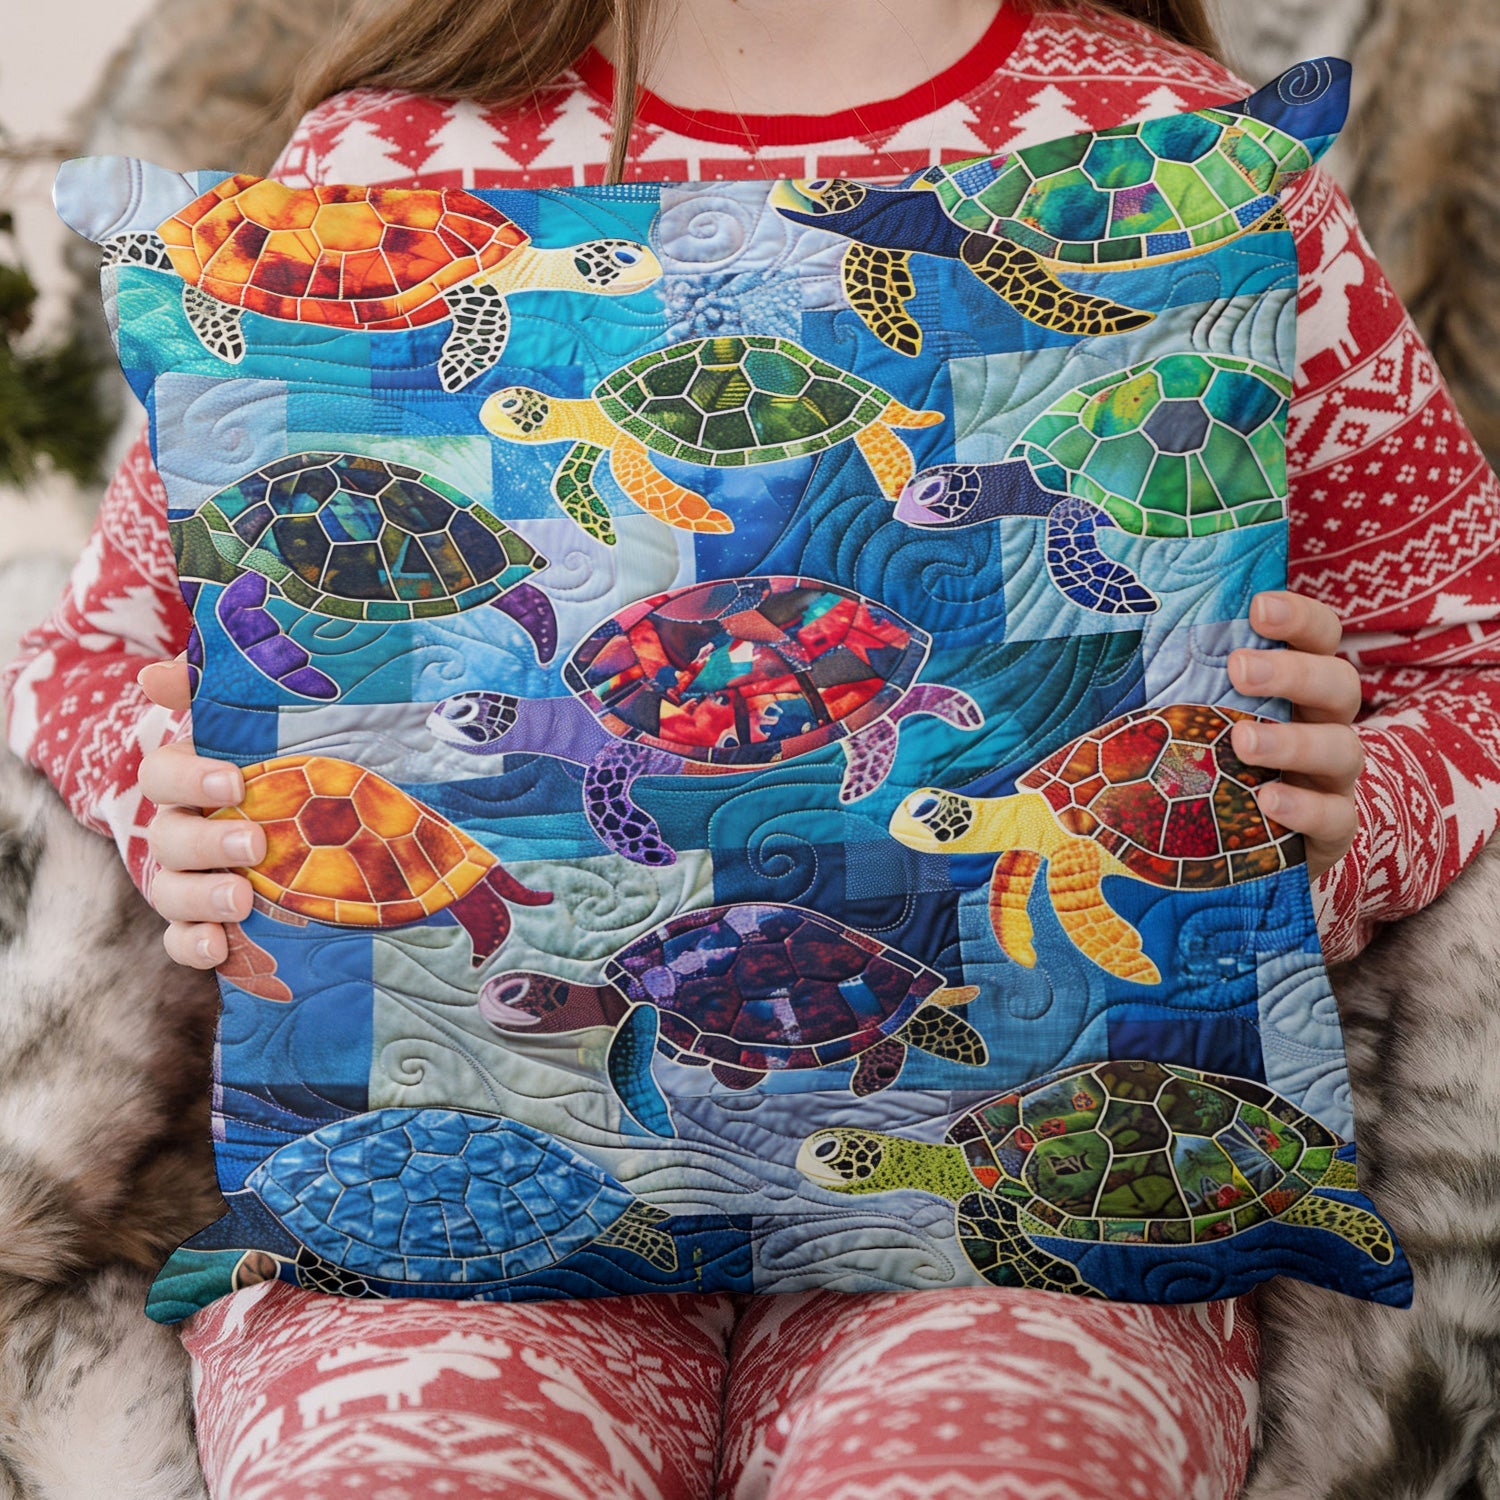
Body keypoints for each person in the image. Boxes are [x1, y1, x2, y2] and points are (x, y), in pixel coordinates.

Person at [7, 1, 1499, 1495]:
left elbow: (1464, 660)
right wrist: (178, 810)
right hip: (432, 1239)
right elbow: (83, 661)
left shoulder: (1176, 152)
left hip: (1035, 1245)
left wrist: (1340, 816)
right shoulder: (380, 167)